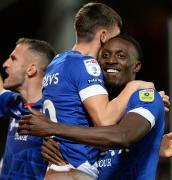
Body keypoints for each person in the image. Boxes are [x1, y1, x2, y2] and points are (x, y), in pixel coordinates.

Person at [21, 3, 154, 180]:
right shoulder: (87, 65)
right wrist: (133, 87)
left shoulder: (57, 63)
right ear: (103, 36)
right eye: (114, 38)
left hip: (56, 170)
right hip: (75, 172)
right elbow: (105, 121)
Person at [0, 38, 56, 180]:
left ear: (31, 69)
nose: (5, 64)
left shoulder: (55, 112)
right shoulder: (14, 103)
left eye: (13, 59)